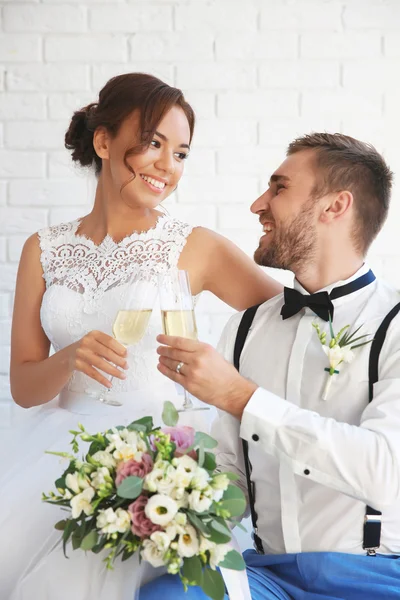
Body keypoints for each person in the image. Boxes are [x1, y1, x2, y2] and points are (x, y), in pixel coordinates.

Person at [0, 73, 282, 600]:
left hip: (160, 450)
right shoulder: (43, 249)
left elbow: (289, 320)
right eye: (153, 143)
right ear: (104, 142)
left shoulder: (194, 246)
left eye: (181, 154)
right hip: (58, 452)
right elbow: (22, 386)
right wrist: (69, 360)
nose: (167, 167)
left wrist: (238, 388)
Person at [150, 132, 400, 599]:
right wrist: (158, 504)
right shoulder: (245, 328)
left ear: (335, 206)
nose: (257, 205)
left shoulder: (396, 324)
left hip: (378, 576)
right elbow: (230, 473)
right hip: (265, 575)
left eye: (279, 188)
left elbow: (384, 471)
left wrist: (242, 398)